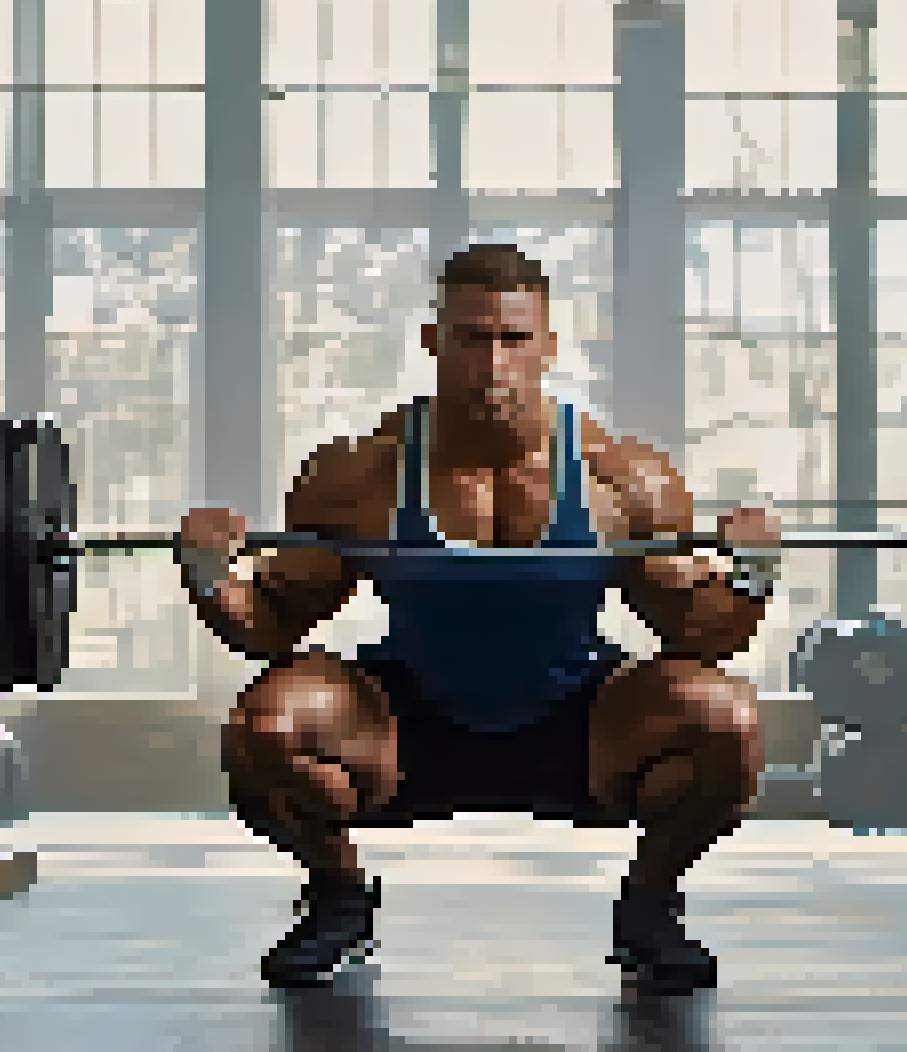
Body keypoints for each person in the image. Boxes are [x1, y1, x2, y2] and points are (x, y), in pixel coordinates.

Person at [178, 242, 777, 994]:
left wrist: (752, 573)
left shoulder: (622, 482)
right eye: (473, 338)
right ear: (433, 340)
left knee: (727, 720)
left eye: (514, 340)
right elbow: (271, 626)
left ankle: (651, 904)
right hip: (406, 722)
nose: (494, 363)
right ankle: (337, 895)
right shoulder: (361, 475)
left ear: (548, 347)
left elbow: (701, 634)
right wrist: (209, 574)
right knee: (265, 729)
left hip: (581, 726)